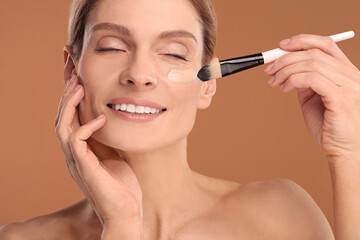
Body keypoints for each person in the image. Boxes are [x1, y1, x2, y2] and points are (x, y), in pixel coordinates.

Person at [1, 0, 359, 239]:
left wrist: (349, 153)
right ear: (71, 68)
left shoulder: (279, 215)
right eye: (111, 46)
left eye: (173, 52)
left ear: (208, 86)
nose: (140, 74)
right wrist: (122, 224)